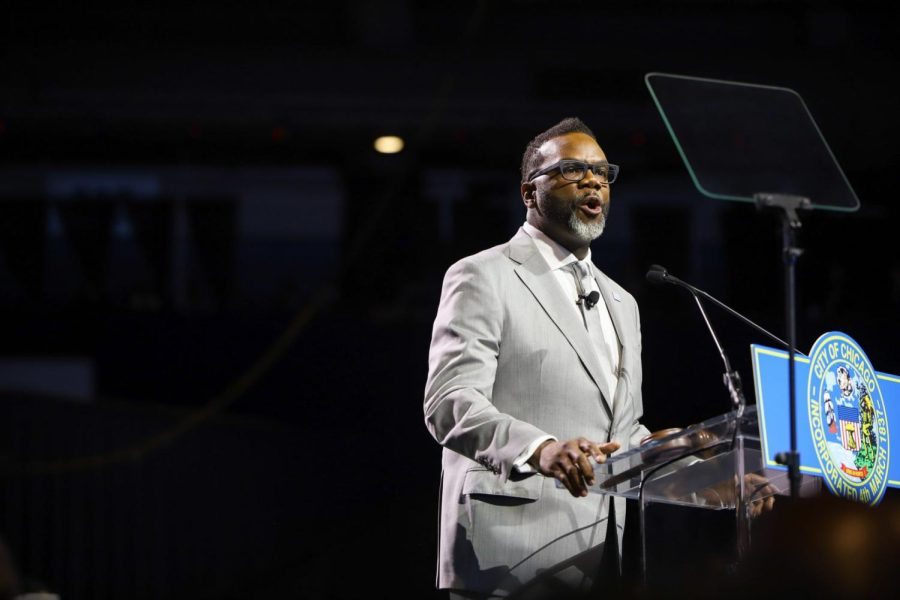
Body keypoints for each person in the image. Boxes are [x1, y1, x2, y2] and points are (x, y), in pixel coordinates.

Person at [424, 117, 650, 598]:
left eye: (602, 172)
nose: (593, 181)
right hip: (508, 556)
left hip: (602, 559)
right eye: (572, 169)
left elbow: (618, 431)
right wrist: (541, 449)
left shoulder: (622, 302)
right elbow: (449, 401)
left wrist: (678, 460)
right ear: (529, 192)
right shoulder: (483, 275)